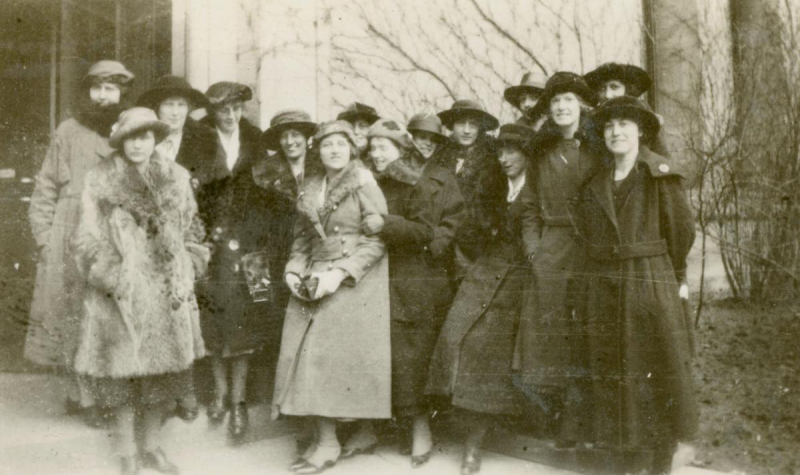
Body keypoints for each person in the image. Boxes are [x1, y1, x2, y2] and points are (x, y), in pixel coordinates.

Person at [72, 107, 209, 475]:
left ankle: (152, 447)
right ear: (120, 141)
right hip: (120, 295)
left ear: (156, 140)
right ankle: (127, 452)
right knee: (123, 377)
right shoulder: (101, 179)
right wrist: (112, 275)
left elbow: (194, 229)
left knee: (162, 377)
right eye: (132, 137)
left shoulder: (176, 177)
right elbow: (86, 237)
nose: (138, 144)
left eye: (146, 136)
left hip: (167, 292)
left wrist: (191, 263)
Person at [571, 96, 697, 474]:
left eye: (624, 124)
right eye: (609, 126)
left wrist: (665, 279)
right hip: (604, 287)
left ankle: (658, 463)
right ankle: (624, 460)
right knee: (612, 375)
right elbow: (585, 237)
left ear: (640, 130)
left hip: (648, 284)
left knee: (654, 373)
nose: (616, 131)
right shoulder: (595, 182)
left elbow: (681, 234)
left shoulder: (660, 174)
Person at [272, 121, 391, 474]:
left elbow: (378, 239)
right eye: (327, 146)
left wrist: (339, 274)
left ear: (352, 149)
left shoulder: (363, 182)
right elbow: (302, 241)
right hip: (314, 272)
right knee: (300, 350)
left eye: (341, 144)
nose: (334, 150)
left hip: (356, 278)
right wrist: (293, 271)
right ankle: (349, 434)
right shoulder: (311, 187)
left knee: (322, 355)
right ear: (318, 152)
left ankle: (328, 441)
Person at [26, 59, 134, 428]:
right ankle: (81, 395)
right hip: (68, 228)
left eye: (111, 88)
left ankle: (98, 392)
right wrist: (44, 238)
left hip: (110, 231)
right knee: (71, 312)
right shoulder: (69, 130)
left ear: (121, 93)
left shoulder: (127, 129)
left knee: (103, 313)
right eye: (97, 87)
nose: (103, 96)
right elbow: (45, 186)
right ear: (88, 90)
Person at [427, 123, 535, 475]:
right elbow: (469, 232)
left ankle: (474, 443)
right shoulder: (493, 187)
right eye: (500, 151)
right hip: (486, 270)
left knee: (486, 346)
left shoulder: (538, 189)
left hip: (523, 276)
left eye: (512, 150)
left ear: (527, 152)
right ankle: (459, 424)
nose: (505, 158)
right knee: (454, 335)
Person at [514, 72, 604, 448]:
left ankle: (583, 418)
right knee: (547, 336)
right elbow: (530, 206)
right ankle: (552, 413)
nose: (563, 108)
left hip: (590, 249)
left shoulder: (598, 147)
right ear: (549, 110)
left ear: (582, 105)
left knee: (587, 330)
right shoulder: (542, 150)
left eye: (569, 100)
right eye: (555, 103)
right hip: (551, 249)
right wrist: (534, 247)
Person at [364, 119, 443, 467]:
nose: (377, 153)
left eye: (384, 147)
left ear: (400, 150)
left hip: (409, 280)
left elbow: (426, 231)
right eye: (373, 147)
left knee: (409, 358)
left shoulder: (415, 183)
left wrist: (386, 224)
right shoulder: (366, 182)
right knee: (377, 355)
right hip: (373, 277)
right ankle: (375, 426)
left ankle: (419, 429)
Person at [136, 74, 214, 422]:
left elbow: (213, 196)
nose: (176, 111)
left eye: (182, 104)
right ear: (157, 108)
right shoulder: (142, 142)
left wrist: (197, 252)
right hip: (145, 248)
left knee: (184, 322)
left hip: (186, 242)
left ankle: (184, 389)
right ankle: (154, 398)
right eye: (169, 104)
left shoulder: (204, 140)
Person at [196, 81, 265, 442]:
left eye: (236, 109)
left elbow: (268, 192)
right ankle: (220, 394)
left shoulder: (256, 140)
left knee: (248, 319)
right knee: (213, 318)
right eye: (223, 109)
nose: (230, 115)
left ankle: (239, 403)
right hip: (213, 245)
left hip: (253, 245)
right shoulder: (201, 141)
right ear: (213, 112)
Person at [435, 100, 504, 269]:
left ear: (480, 128)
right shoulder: (439, 157)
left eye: (472, 125)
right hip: (441, 242)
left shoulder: (493, 160)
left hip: (476, 245)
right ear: (451, 126)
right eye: (460, 124)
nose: (467, 131)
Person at [407, 112, 466, 290]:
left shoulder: (444, 175)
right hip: (400, 254)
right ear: (412, 138)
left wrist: (435, 244)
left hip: (430, 258)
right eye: (422, 137)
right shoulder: (397, 170)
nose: (427, 143)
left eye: (432, 139)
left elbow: (456, 215)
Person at [583, 62, 671, 157]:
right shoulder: (589, 121)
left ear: (626, 90)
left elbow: (662, 157)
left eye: (614, 87)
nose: (608, 95)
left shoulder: (643, 118)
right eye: (602, 89)